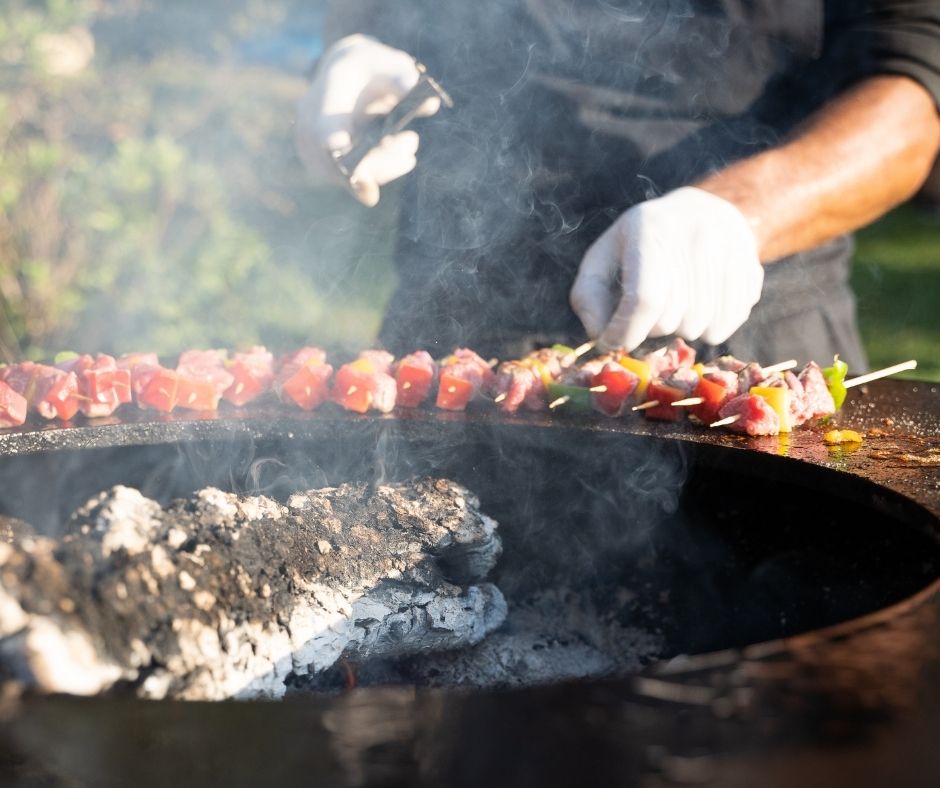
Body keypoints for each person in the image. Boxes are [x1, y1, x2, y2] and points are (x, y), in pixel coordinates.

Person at [295, 1, 940, 371]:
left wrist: (736, 214)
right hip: (448, 328)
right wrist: (356, 44)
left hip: (743, 335)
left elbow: (915, 90)